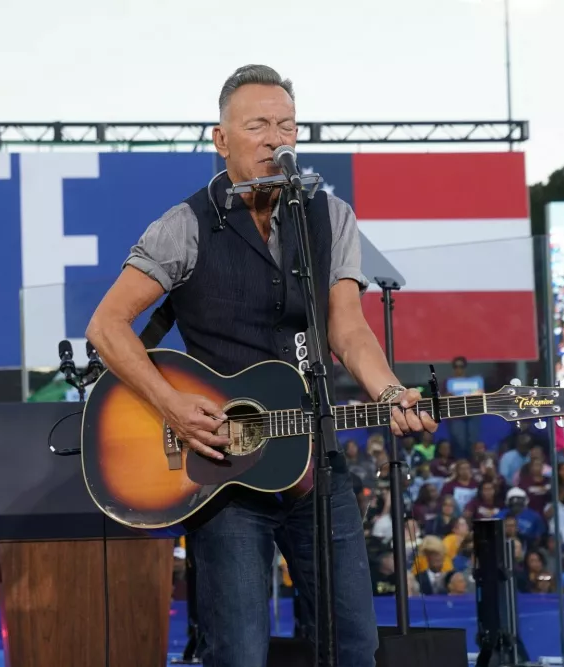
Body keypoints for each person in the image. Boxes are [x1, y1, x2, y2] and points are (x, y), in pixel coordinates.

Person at [86, 64, 438, 667]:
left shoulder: (330, 216)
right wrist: (171, 403)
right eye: (258, 126)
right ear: (221, 139)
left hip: (316, 465)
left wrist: (388, 392)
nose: (276, 139)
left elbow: (348, 328)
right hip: (224, 473)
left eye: (287, 125)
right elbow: (106, 327)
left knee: (354, 646)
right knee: (240, 653)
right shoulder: (183, 227)